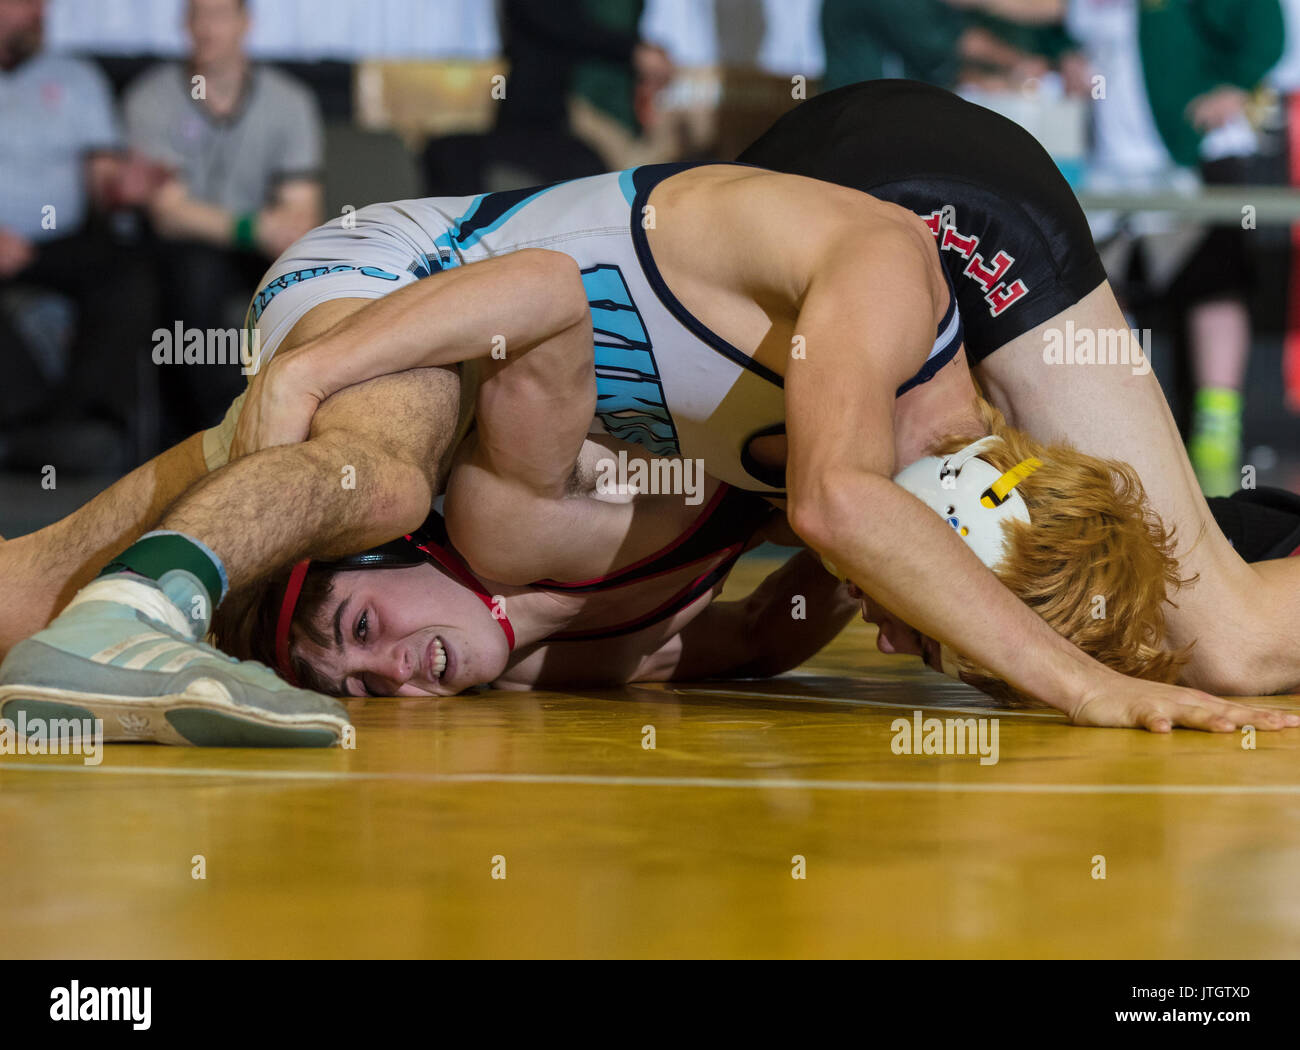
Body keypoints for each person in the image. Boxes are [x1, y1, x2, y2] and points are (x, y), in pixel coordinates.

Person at [3, 132, 1298, 744]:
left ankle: (102, 605)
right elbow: (846, 508)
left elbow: (803, 583)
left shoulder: (803, 465)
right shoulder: (887, 283)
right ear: (939, 510)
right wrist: (1096, 687)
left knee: (48, 568)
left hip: (490, 339)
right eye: (928, 621)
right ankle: (142, 618)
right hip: (410, 275)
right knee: (379, 471)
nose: (895, 636)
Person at [124, 0, 324, 445]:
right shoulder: (151, 97)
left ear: (245, 23)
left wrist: (275, 232)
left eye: (217, 15)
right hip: (181, 251)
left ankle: (302, 427)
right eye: (196, 16)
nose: (205, 27)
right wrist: (253, 227)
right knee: (194, 270)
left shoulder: (289, 101)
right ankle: (220, 430)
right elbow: (169, 214)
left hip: (260, 250)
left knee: (311, 270)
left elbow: (300, 210)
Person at [0, 0, 159, 469]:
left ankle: (77, 420)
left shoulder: (77, 78)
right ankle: (25, 425)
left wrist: (122, 187)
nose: (37, 13)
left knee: (128, 271)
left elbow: (102, 180)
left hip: (51, 243)